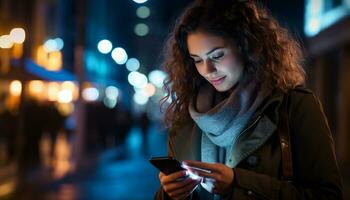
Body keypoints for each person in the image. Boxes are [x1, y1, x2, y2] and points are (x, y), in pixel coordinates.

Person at [154, 0, 343, 199]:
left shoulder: (294, 106)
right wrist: (169, 194)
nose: (207, 70)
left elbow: (328, 195)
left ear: (247, 47)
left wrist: (238, 182)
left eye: (217, 55)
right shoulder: (186, 118)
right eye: (197, 60)